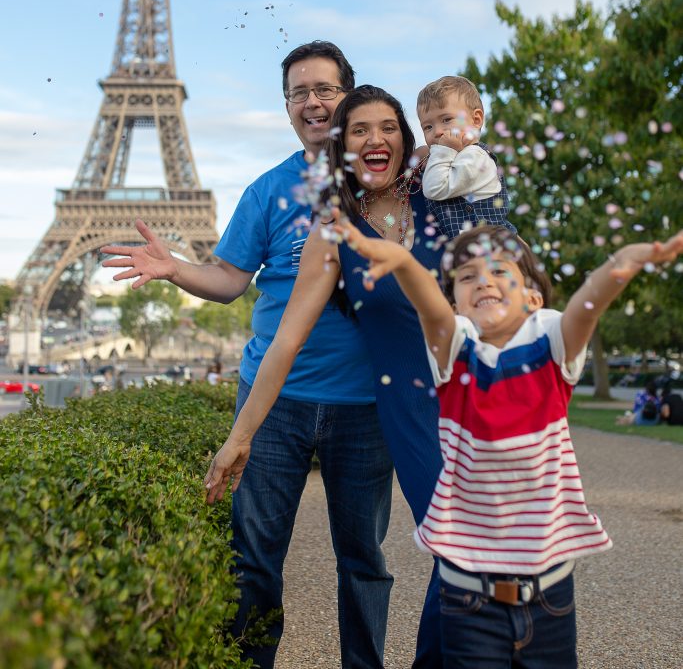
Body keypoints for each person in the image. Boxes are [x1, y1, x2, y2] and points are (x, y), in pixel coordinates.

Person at [102, 42, 396, 669]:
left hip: (367, 405)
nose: (313, 102)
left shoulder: (389, 184)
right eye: (299, 93)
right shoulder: (269, 190)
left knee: (365, 561)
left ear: (350, 94)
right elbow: (232, 279)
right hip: (274, 401)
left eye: (325, 89)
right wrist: (176, 269)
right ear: (287, 107)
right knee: (254, 556)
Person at [329, 218, 683, 669]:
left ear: (533, 299)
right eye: (467, 276)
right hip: (468, 598)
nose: (484, 281)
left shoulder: (552, 353)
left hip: (550, 594)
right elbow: (430, 310)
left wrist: (621, 263)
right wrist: (401, 260)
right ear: (454, 302)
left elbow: (586, 308)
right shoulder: (455, 357)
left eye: (500, 272)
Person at [204, 85, 457, 667]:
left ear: (406, 138)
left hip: (477, 402)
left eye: (389, 127)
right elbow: (286, 339)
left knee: (484, 555)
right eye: (360, 129)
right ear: (342, 147)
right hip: (414, 411)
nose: (376, 139)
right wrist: (239, 437)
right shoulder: (333, 231)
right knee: (456, 551)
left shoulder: (445, 202)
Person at [416, 75, 515, 238]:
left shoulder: (476, 157)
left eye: (447, 119)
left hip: (492, 246)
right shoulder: (454, 157)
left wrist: (442, 152)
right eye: (428, 127)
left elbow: (434, 188)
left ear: (476, 120)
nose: (437, 131)